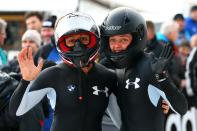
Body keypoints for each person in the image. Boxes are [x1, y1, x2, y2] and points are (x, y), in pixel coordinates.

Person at [9, 12, 117, 131]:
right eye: (71, 41)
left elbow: (123, 121)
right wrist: (26, 81)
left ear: (94, 39)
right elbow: (17, 111)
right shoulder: (52, 75)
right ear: (61, 44)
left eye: (83, 39)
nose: (78, 46)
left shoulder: (108, 77)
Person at [100, 7, 188, 131]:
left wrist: (162, 78)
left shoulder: (149, 66)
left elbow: (182, 108)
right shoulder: (104, 67)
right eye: (112, 40)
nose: (116, 46)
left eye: (123, 40)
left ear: (137, 38)